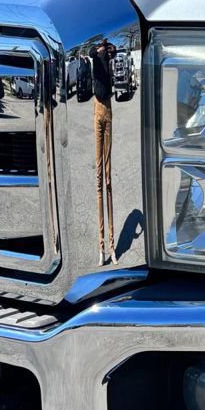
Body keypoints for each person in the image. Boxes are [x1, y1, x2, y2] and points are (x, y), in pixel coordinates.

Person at [90, 39, 115, 264]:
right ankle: (101, 247)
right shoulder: (96, 58)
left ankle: (112, 245)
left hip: (108, 109)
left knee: (108, 180)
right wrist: (98, 49)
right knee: (98, 178)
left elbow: (114, 50)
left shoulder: (108, 55)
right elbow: (90, 52)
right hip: (97, 108)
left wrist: (108, 48)